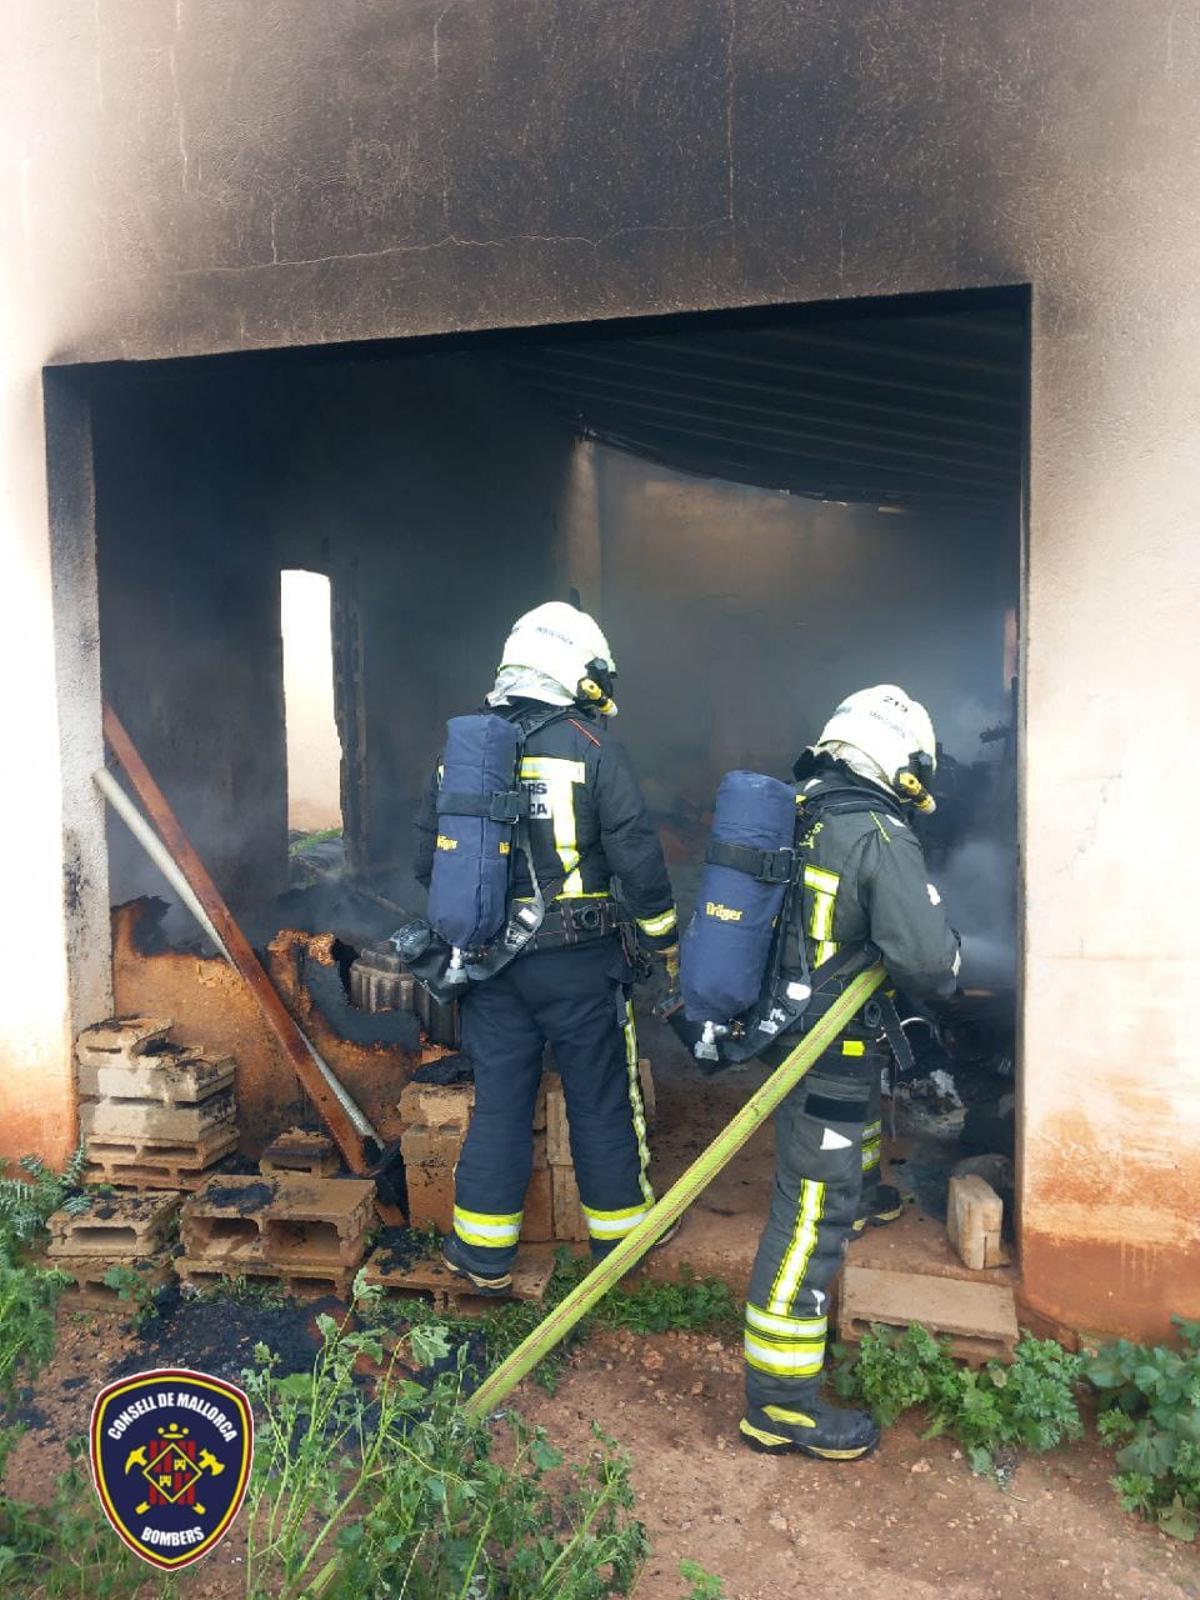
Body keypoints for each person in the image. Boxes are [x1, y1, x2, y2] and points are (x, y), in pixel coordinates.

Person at [413, 601, 678, 1294]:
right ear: (574, 673)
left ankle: (481, 1256)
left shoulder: (461, 755)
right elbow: (638, 858)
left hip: (492, 966)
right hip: (581, 967)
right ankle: (619, 1247)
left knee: (500, 1099)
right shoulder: (590, 748)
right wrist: (663, 941)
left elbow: (426, 862)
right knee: (600, 1095)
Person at [740, 685, 961, 1461]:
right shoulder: (876, 833)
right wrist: (957, 949)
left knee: (826, 1190)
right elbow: (929, 963)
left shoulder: (800, 809)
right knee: (806, 1220)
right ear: (892, 759)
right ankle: (781, 1405)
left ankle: (861, 1198)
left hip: (793, 1033)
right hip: (828, 1051)